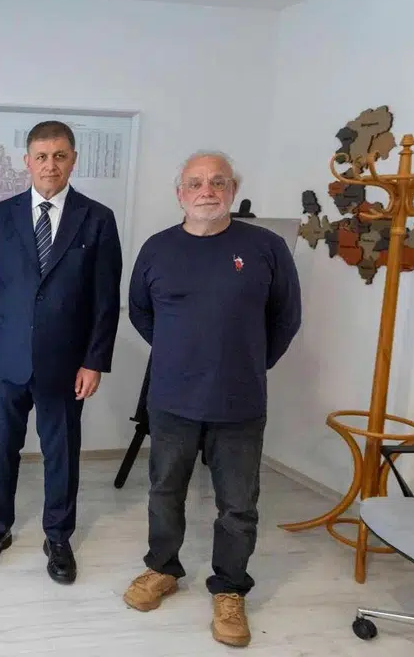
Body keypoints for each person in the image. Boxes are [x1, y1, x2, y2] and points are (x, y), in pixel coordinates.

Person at [123, 150, 301, 648]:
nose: (207, 191)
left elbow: (286, 318)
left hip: (239, 401)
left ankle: (230, 588)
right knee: (164, 491)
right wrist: (180, 355)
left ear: (233, 190)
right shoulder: (158, 248)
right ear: (180, 193)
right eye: (196, 182)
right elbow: (140, 312)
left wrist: (247, 362)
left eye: (218, 182)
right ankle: (162, 567)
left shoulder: (265, 247)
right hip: (171, 398)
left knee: (238, 505)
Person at [0, 120, 123, 585]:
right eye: (41, 156)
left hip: (66, 364)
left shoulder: (97, 218)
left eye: (59, 156)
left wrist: (94, 360)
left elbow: (105, 298)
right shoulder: (1, 215)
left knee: (62, 455)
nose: (49, 165)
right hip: (6, 359)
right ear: (27, 161)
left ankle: (58, 536)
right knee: (1, 450)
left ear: (73, 159)